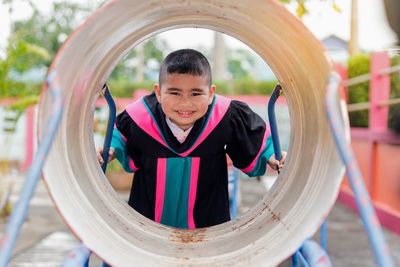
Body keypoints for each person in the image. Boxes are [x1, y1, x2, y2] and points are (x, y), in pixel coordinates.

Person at [97, 49, 286, 229]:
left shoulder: (226, 115)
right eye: (174, 92)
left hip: (208, 223)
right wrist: (109, 152)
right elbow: (118, 138)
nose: (185, 102)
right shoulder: (139, 116)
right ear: (158, 93)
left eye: (196, 93)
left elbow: (255, 141)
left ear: (211, 93)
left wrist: (274, 159)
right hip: (148, 222)